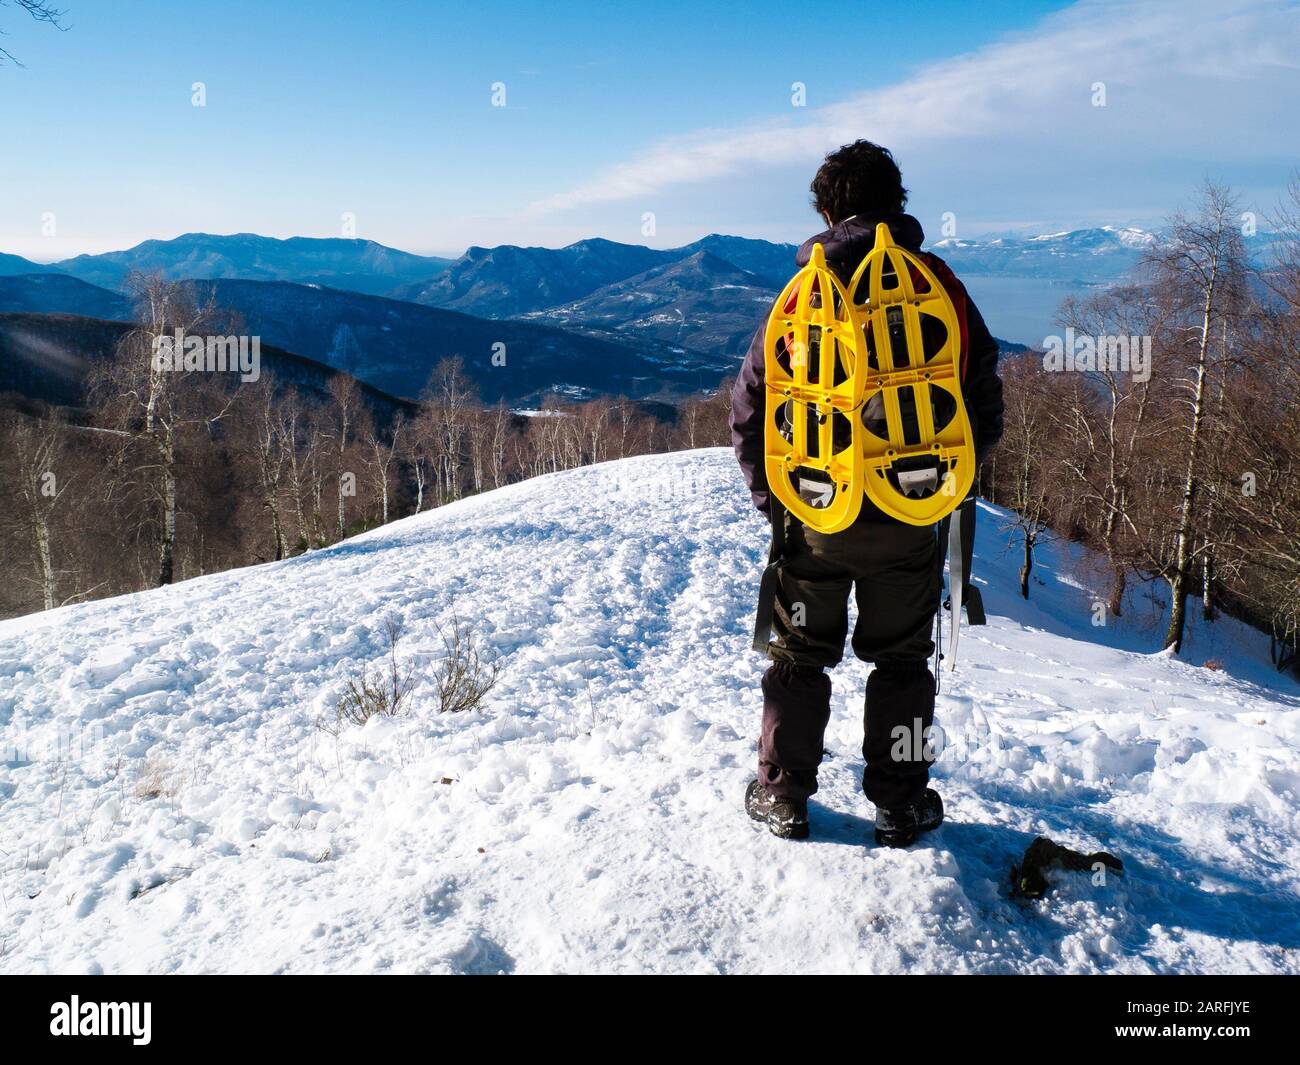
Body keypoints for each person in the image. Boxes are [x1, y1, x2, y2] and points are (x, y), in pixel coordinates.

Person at [730, 140, 1004, 846]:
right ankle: (900, 803)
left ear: (827, 210)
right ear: (899, 203)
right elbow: (981, 398)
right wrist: (943, 486)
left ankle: (784, 795)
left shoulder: (802, 297)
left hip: (816, 511)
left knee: (797, 657)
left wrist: (777, 500)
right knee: (903, 663)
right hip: (911, 514)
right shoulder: (936, 283)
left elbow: (750, 410)